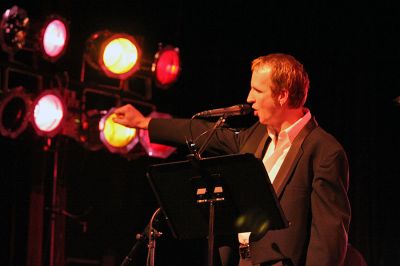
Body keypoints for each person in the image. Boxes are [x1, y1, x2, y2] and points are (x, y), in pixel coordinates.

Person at [112, 53, 351, 266]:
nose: (249, 98)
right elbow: (203, 133)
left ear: (282, 96)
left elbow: (329, 237)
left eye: (258, 91)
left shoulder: (324, 150)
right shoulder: (257, 135)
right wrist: (144, 123)